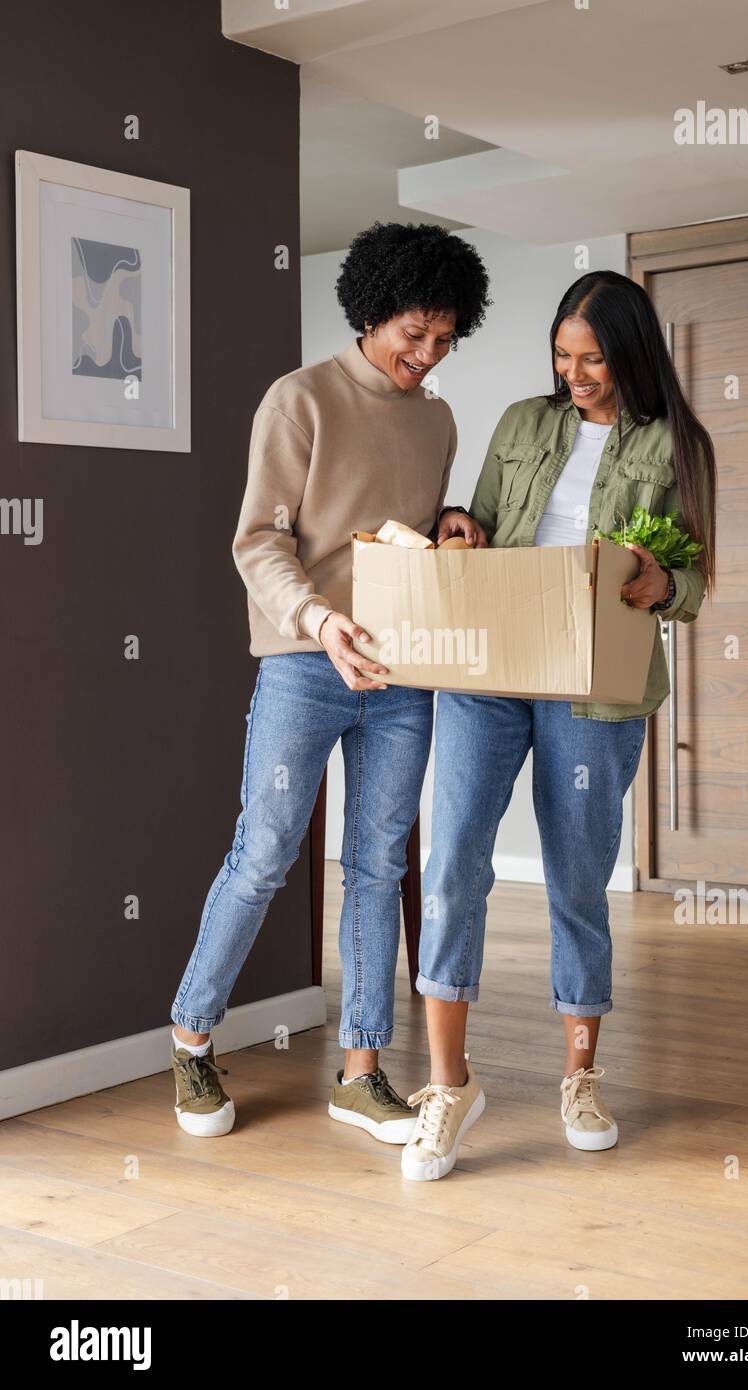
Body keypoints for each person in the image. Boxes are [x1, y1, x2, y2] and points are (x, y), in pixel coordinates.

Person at [169, 222, 490, 1144]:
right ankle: (192, 1037)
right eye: (412, 336)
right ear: (372, 311)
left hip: (402, 673)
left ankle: (361, 1068)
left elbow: (413, 527)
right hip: (306, 664)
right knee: (266, 851)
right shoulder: (298, 401)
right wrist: (318, 621)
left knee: (379, 865)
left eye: (442, 341)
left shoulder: (434, 416)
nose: (423, 358)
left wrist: (456, 519)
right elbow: (259, 540)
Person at [402, 269, 717, 1180]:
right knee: (453, 858)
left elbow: (692, 583)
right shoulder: (519, 424)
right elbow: (485, 529)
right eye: (561, 356)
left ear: (631, 353)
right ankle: (449, 1086)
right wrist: (461, 528)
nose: (574, 374)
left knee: (577, 879)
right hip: (493, 669)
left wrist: (665, 583)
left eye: (593, 359)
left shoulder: (677, 442)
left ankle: (580, 1075)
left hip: (595, 684)